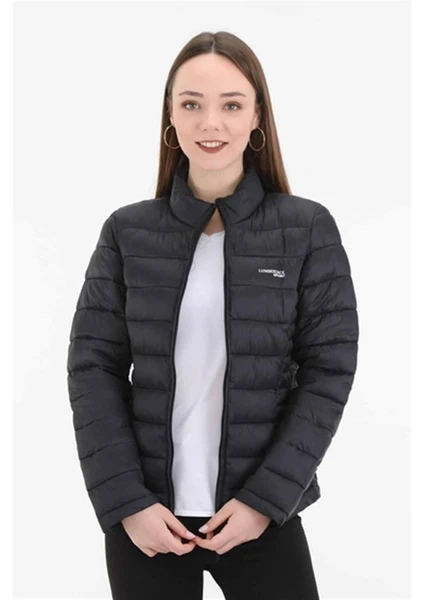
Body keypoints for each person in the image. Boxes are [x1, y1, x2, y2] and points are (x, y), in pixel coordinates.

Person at [67, 30, 359, 600]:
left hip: (260, 518)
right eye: (191, 104)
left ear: (257, 118)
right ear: (170, 116)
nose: (210, 123)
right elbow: (93, 368)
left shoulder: (305, 229)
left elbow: (328, 371)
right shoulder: (127, 232)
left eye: (231, 105)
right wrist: (127, 503)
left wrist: (263, 501)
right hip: (149, 524)